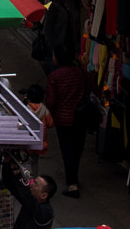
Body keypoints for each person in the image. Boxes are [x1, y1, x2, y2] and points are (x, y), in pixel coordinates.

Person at [45, 54, 92, 197]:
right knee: (77, 149)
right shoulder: (81, 73)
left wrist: (50, 115)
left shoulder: (55, 76)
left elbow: (51, 100)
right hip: (81, 117)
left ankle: (72, 184)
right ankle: (73, 177)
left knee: (67, 150)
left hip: (63, 119)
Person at [1, 163, 56, 229]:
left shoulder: (44, 211)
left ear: (43, 195)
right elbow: (10, 184)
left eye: (36, 184)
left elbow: (24, 192)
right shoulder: (31, 201)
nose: (31, 183)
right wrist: (6, 163)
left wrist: (16, 170)